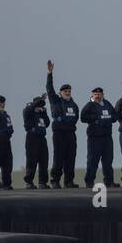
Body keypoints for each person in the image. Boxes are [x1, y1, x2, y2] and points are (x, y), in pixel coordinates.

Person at [46, 60, 80, 188]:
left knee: (71, 157)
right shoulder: (55, 101)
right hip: (59, 134)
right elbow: (49, 89)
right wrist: (49, 74)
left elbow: (76, 117)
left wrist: (67, 122)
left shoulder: (73, 105)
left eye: (69, 91)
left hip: (70, 134)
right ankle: (55, 180)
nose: (67, 92)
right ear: (61, 93)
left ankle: (69, 181)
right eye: (65, 91)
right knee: (59, 157)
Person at [81, 87, 119, 188]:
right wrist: (96, 118)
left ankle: (109, 181)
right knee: (93, 160)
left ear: (103, 94)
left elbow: (115, 116)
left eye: (99, 94)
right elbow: (83, 118)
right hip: (94, 137)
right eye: (96, 94)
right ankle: (89, 181)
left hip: (107, 137)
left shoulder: (107, 104)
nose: (98, 96)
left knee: (108, 160)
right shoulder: (89, 105)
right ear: (92, 95)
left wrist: (109, 119)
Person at [23, 95, 51, 189]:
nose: (40, 107)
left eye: (42, 105)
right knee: (32, 161)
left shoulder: (41, 114)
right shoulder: (28, 113)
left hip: (42, 138)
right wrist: (38, 101)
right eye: (39, 105)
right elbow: (28, 110)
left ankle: (42, 182)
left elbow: (47, 123)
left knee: (44, 160)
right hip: (32, 138)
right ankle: (29, 182)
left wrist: (44, 113)